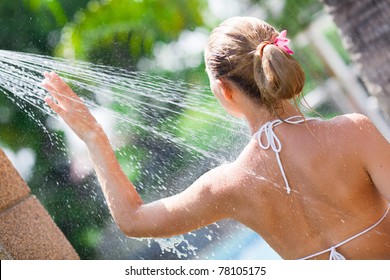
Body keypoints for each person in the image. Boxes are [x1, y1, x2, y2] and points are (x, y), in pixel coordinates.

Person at [42, 16, 390, 260]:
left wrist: (93, 136)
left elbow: (133, 220)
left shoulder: (228, 185)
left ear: (224, 92)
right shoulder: (353, 132)